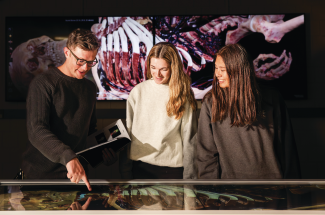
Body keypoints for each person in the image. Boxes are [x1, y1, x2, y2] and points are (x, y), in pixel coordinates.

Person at [22, 28, 116, 191]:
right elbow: (36, 130)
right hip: (41, 179)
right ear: (67, 52)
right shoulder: (43, 83)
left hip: (76, 178)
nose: (85, 67)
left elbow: (89, 132)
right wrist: (68, 157)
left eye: (91, 61)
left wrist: (102, 153)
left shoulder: (90, 88)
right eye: (80, 60)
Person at [197, 43, 301, 179]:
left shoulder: (272, 98)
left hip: (271, 186)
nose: (217, 74)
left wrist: (294, 192)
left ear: (238, 70)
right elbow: (206, 154)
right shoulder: (211, 102)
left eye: (222, 69)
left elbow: (287, 149)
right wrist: (210, 195)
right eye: (216, 68)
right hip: (231, 191)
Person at [119, 42, 198, 179]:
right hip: (139, 167)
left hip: (172, 171)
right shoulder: (138, 92)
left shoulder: (183, 94)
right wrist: (125, 172)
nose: (157, 74)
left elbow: (189, 140)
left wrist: (189, 180)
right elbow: (128, 134)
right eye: (153, 67)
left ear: (174, 68)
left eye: (164, 69)